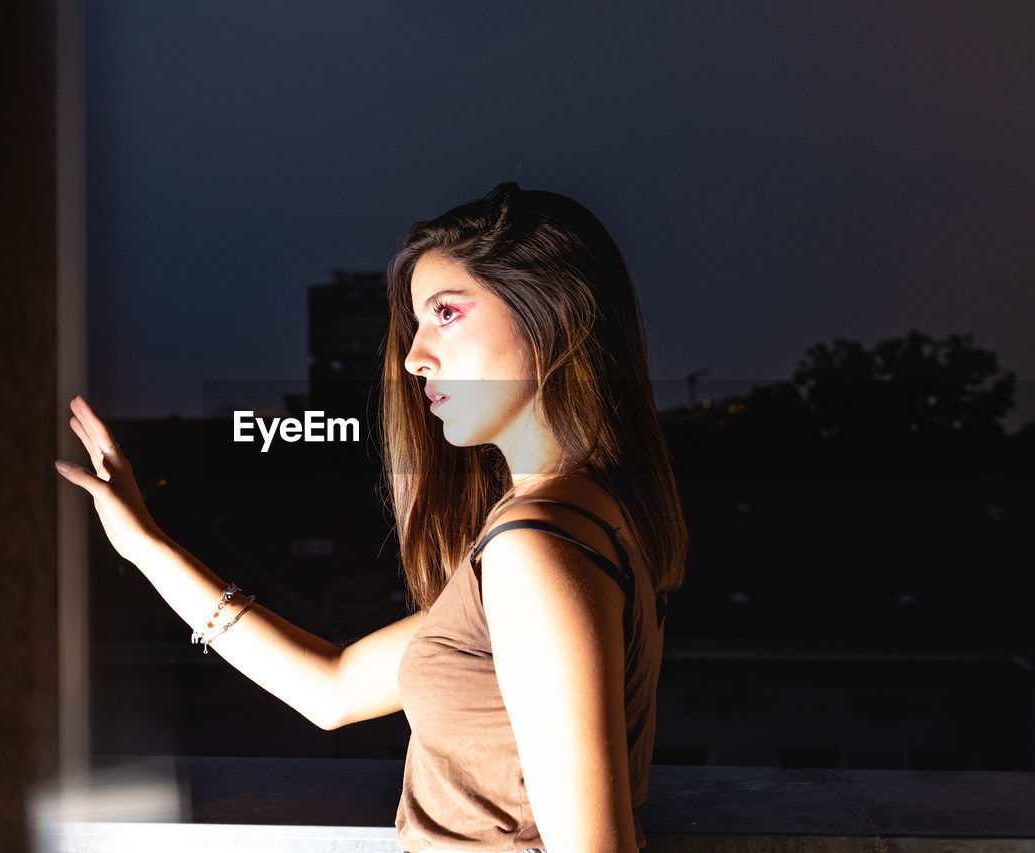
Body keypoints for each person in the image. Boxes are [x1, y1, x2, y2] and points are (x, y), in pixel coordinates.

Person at [56, 181, 687, 852]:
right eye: (417, 323)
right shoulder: (574, 519)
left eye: (447, 312)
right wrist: (144, 544)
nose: (415, 357)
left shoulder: (536, 548)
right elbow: (331, 688)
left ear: (551, 312)